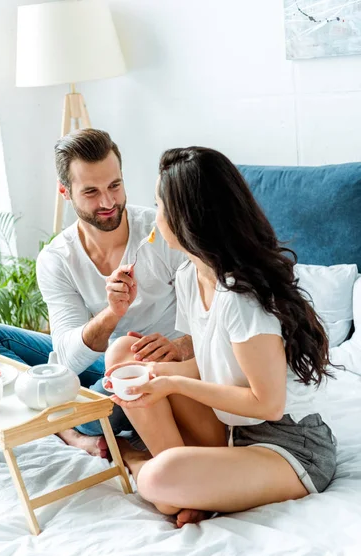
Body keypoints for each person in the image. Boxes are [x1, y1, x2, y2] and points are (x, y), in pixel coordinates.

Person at [103, 146, 337, 528]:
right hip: (232, 429)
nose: (154, 216)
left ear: (187, 218)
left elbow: (268, 405)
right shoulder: (189, 279)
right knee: (126, 352)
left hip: (287, 444)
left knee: (157, 478)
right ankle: (195, 490)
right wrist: (155, 376)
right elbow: (215, 366)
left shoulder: (241, 298)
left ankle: (151, 469)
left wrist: (173, 381)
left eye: (160, 206)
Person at [0, 130, 193, 457]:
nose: (108, 202)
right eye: (91, 192)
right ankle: (69, 430)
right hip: (101, 360)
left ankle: (77, 426)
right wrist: (112, 313)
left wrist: (183, 345)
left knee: (104, 408)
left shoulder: (162, 233)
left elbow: (216, 310)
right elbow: (68, 358)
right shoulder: (58, 258)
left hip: (155, 364)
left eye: (115, 185)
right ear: (65, 192)